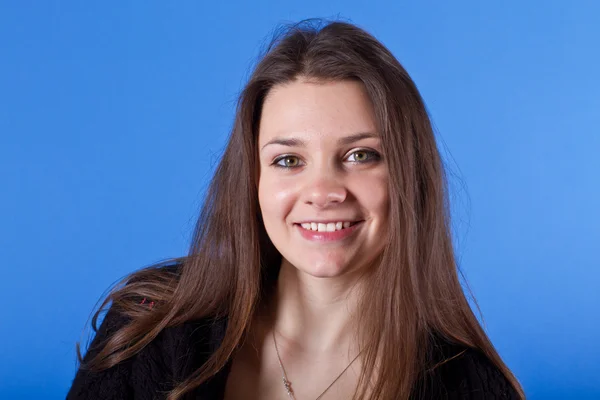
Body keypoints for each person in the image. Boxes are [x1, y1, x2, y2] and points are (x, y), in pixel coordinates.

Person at [67, 18, 525, 400]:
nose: (323, 191)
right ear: (254, 182)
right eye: (289, 160)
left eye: (361, 155)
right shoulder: (148, 324)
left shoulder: (472, 385)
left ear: (410, 176)